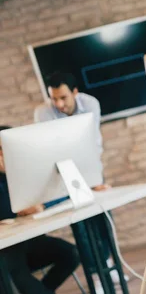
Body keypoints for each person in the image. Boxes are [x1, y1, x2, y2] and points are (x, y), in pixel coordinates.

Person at [33, 72, 122, 291]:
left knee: (103, 219)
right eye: (54, 99)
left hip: (90, 168)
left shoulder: (90, 104)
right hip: (64, 175)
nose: (59, 104)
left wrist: (92, 179)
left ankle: (109, 267)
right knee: (82, 226)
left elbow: (90, 142)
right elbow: (50, 150)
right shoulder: (43, 113)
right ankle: (96, 275)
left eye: (63, 97)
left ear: (75, 92)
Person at [0, 125, 80, 294]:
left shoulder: (27, 169)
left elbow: (61, 193)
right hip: (7, 249)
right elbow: (7, 210)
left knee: (71, 254)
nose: (3, 155)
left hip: (29, 242)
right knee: (18, 277)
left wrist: (41, 206)